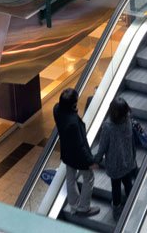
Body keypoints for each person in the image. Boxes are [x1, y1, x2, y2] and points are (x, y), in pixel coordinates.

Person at [53, 89, 100, 218]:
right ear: (73, 104)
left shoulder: (56, 109)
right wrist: (90, 162)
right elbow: (80, 146)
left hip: (66, 153)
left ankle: (73, 205)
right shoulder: (73, 123)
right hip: (78, 156)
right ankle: (84, 208)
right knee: (88, 177)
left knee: (70, 177)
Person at [94, 97, 139, 220]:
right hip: (128, 160)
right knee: (128, 183)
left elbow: (102, 147)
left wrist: (96, 160)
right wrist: (133, 157)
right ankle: (132, 204)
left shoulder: (108, 126)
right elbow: (131, 141)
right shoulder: (128, 120)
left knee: (116, 188)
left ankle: (117, 210)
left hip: (115, 164)